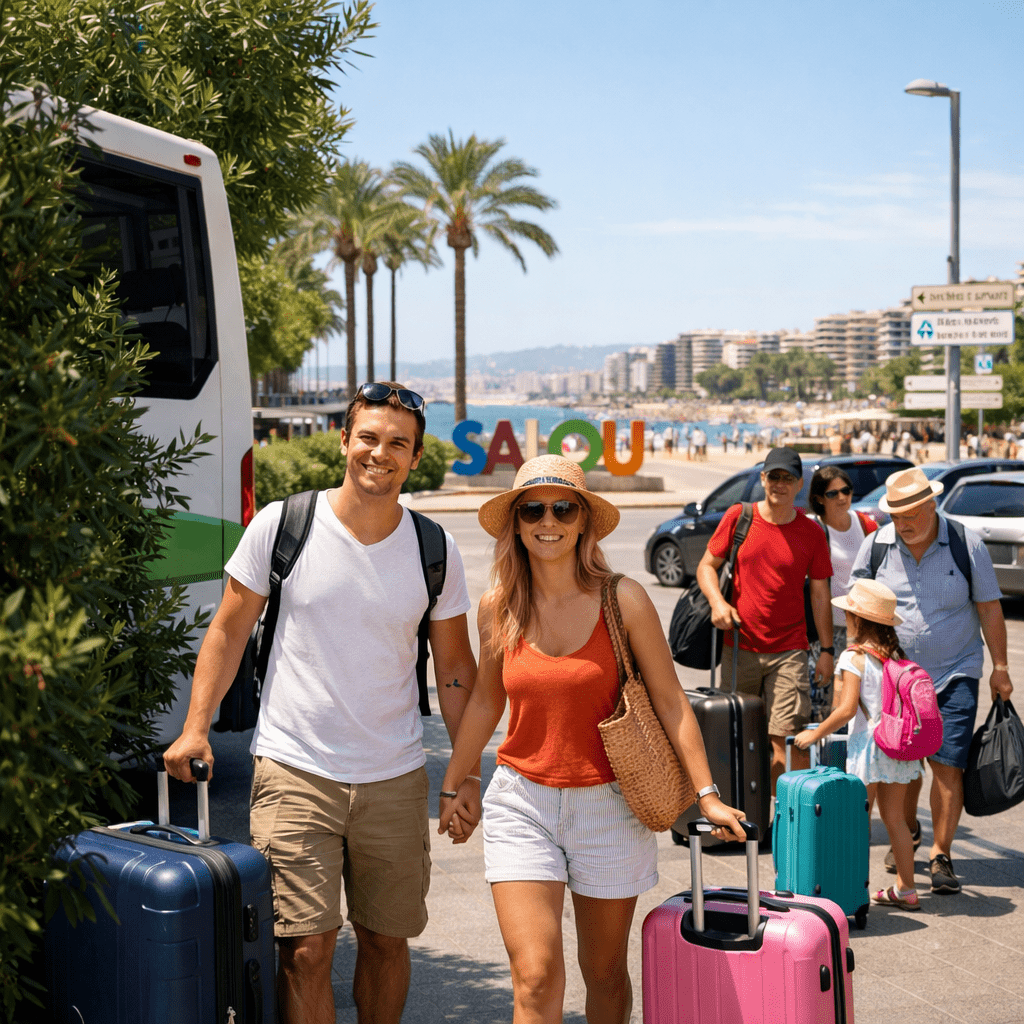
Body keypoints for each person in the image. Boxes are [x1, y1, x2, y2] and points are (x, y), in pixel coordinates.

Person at [164, 382, 479, 1024]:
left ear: (414, 458)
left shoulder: (433, 548)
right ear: (344, 440)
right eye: (368, 437)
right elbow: (227, 630)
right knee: (304, 951)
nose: (379, 454)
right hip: (294, 767)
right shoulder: (283, 525)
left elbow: (454, 671)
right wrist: (196, 728)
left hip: (393, 776)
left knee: (388, 943)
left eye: (398, 444)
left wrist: (464, 773)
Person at [439, 455, 746, 1024]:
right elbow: (486, 700)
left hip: (610, 805)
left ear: (583, 520)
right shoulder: (498, 606)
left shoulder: (623, 598)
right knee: (534, 975)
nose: (547, 520)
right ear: (515, 522)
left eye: (563, 507)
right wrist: (454, 782)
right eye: (532, 509)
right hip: (522, 802)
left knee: (603, 972)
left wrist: (706, 794)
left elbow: (672, 701)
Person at [850, 466, 1013, 895]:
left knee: (947, 764)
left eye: (911, 515)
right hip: (896, 678)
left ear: (931, 505)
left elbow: (990, 609)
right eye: (896, 516)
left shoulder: (965, 544)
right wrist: (858, 656)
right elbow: (857, 606)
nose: (902, 525)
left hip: (954, 671)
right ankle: (908, 834)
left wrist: (1000, 667)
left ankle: (941, 852)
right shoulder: (877, 546)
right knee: (903, 764)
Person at [697, 447, 834, 791]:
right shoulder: (739, 517)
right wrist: (717, 603)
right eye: (774, 476)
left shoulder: (812, 533)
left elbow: (820, 595)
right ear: (762, 479)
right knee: (734, 736)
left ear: (799, 483)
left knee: (786, 741)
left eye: (788, 478)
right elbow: (706, 567)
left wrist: (828, 650)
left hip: (789, 651)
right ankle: (739, 815)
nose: (780, 484)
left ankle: (782, 819)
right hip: (739, 646)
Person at [794, 579, 925, 910]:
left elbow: (846, 709)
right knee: (896, 819)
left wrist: (815, 733)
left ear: (856, 620)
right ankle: (906, 889)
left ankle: (851, 888)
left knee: (856, 820)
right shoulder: (894, 655)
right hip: (896, 746)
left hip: (868, 749)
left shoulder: (853, 658)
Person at [806, 466, 878, 714]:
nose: (841, 498)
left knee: (861, 703)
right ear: (818, 498)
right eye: (832, 493)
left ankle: (852, 753)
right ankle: (830, 754)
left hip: (863, 630)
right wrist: (826, 647)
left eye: (845, 491)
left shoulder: (865, 524)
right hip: (827, 633)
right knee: (825, 706)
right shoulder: (813, 529)